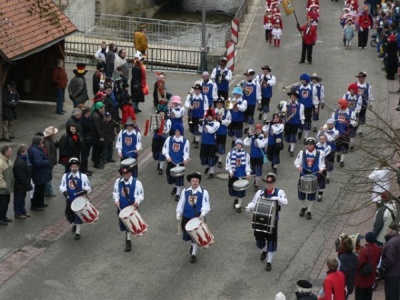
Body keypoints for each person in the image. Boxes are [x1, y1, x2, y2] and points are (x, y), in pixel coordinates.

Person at [245, 173, 288, 271]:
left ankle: (269, 261)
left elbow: (285, 202)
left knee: (271, 241)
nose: (269, 185)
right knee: (259, 240)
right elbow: (254, 203)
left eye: (271, 183)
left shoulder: (279, 192)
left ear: (274, 182)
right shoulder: (260, 192)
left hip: (272, 221)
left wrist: (277, 198)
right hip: (259, 219)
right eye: (267, 183)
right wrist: (249, 207)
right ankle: (264, 250)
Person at [176, 172, 210, 263]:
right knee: (188, 236)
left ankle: (193, 254)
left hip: (197, 219)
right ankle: (193, 245)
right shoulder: (185, 191)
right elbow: (181, 203)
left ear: (199, 182)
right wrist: (178, 213)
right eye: (193, 181)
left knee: (195, 237)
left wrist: (203, 214)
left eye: (196, 181)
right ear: (190, 182)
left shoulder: (204, 192)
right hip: (187, 217)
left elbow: (206, 205)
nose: (195, 182)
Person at [113, 164, 144, 252]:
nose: (125, 175)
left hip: (132, 207)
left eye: (127, 173)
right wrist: (116, 200)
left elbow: (140, 195)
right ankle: (128, 237)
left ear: (130, 173)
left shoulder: (137, 183)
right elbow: (116, 192)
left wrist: (137, 202)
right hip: (121, 207)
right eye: (123, 174)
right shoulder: (118, 181)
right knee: (125, 225)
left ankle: (128, 240)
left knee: (130, 225)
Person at [59, 158, 92, 240]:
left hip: (79, 200)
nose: (74, 168)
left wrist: (85, 190)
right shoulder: (65, 176)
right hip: (70, 200)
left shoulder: (83, 176)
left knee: (78, 215)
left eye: (76, 166)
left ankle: (78, 232)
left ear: (78, 167)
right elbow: (62, 186)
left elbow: (88, 187)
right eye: (73, 166)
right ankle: (74, 223)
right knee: (69, 214)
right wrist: (64, 192)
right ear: (70, 167)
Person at [294, 137, 325, 220]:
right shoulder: (302, 152)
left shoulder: (319, 153)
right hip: (303, 176)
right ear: (306, 145)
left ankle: (309, 211)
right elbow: (296, 162)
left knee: (312, 194)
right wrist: (298, 167)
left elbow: (322, 164)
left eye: (311, 145)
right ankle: (303, 207)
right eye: (308, 145)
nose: (310, 146)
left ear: (314, 145)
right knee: (301, 193)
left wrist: (321, 169)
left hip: (314, 176)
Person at [162, 126, 190, 201]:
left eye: (178, 131)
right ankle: (175, 186)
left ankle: (178, 193)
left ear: (181, 132)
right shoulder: (169, 139)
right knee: (170, 176)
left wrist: (185, 159)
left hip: (179, 162)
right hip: (171, 161)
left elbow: (186, 152)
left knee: (179, 178)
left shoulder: (185, 141)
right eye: (176, 131)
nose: (177, 133)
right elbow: (165, 149)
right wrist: (167, 156)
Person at [225, 139, 252, 213]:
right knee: (232, 191)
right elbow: (228, 164)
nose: (238, 146)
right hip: (233, 176)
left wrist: (248, 174)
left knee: (240, 192)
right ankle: (236, 199)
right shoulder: (230, 154)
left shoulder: (246, 155)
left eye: (239, 145)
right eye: (237, 145)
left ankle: (239, 205)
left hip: (241, 176)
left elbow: (247, 165)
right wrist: (230, 171)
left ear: (242, 146)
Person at [354, 232, 381, 300]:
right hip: (371, 276)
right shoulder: (378, 248)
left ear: (367, 240)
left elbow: (359, 263)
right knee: (368, 296)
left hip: (362, 279)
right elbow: (377, 262)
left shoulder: (364, 250)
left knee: (360, 296)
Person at [28, 136, 51, 211]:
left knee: (41, 189)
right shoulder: (36, 151)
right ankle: (35, 205)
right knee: (38, 190)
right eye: (41, 142)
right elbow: (38, 163)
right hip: (39, 173)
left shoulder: (34, 148)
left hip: (40, 173)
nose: (42, 143)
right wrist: (47, 161)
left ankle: (40, 203)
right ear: (38, 143)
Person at [332, 99, 357, 168]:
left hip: (345, 133)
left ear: (343, 105)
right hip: (337, 133)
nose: (338, 105)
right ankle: (338, 154)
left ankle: (342, 161)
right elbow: (332, 121)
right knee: (337, 146)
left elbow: (354, 122)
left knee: (344, 147)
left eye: (340, 104)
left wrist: (351, 125)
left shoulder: (351, 113)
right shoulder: (336, 112)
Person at [186, 83, 209, 148]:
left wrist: (204, 115)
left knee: (198, 128)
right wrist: (189, 106)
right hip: (191, 116)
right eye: (195, 90)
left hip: (200, 116)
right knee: (191, 128)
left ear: (200, 90)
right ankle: (195, 136)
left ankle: (197, 141)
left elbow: (206, 107)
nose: (196, 91)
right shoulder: (190, 96)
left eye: (198, 90)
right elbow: (186, 103)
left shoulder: (204, 97)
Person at [244, 124, 267, 191]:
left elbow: (261, 145)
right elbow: (245, 143)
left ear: (261, 130)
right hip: (253, 156)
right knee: (253, 170)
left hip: (259, 156)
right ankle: (255, 180)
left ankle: (256, 184)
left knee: (258, 171)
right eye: (257, 130)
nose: (258, 131)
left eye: (259, 130)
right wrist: (248, 137)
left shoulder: (263, 137)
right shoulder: (253, 137)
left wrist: (257, 138)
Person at [282, 89, 305, 157]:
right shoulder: (286, 104)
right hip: (288, 122)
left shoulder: (301, 105)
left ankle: (292, 150)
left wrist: (302, 124)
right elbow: (283, 112)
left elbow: (301, 115)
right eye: (291, 96)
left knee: (293, 136)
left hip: (295, 123)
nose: (292, 97)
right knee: (288, 136)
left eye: (293, 96)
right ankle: (290, 145)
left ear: (296, 97)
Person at [381, 222, 400, 300]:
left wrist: (382, 266)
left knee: (390, 294)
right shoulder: (397, 239)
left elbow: (389, 259)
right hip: (397, 271)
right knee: (396, 294)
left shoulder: (391, 242)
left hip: (391, 272)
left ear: (390, 231)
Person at [199, 109, 220, 179]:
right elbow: (201, 131)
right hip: (204, 142)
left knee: (211, 158)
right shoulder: (204, 122)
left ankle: (211, 172)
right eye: (208, 116)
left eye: (210, 116)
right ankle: (208, 166)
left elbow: (211, 131)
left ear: (213, 117)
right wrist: (200, 125)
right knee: (203, 157)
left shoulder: (216, 123)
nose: (209, 117)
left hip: (211, 143)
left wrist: (206, 124)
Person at [317, 119, 339, 184]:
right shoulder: (324, 130)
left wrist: (324, 132)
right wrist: (320, 131)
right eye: (328, 124)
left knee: (329, 164)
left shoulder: (336, 131)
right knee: (321, 162)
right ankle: (320, 175)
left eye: (330, 124)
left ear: (332, 125)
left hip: (331, 150)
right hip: (323, 148)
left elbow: (331, 139)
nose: (329, 125)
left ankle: (328, 177)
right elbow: (318, 137)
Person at [241, 69, 261, 135]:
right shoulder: (244, 83)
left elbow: (258, 92)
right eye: (247, 75)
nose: (248, 77)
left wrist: (259, 102)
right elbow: (239, 92)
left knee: (250, 116)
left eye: (249, 75)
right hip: (244, 103)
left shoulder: (256, 83)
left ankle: (250, 130)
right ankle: (246, 127)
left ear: (252, 75)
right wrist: (241, 88)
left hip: (252, 102)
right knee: (245, 116)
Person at [343, 83, 362, 152]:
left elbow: (358, 108)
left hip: (354, 115)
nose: (351, 91)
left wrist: (353, 114)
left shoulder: (358, 97)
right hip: (346, 114)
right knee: (345, 129)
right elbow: (343, 105)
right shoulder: (345, 95)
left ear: (355, 91)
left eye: (353, 90)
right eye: (350, 89)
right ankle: (345, 143)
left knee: (352, 131)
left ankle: (351, 146)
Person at [297, 73, 316, 142]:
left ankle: (305, 137)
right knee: (299, 120)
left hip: (308, 107)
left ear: (307, 81)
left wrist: (316, 107)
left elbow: (315, 98)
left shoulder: (312, 88)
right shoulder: (299, 87)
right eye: (301, 80)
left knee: (307, 122)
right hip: (300, 107)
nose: (302, 81)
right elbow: (296, 97)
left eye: (303, 80)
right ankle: (300, 131)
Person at [151, 107, 171, 175]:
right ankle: (159, 162)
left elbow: (167, 130)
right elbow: (151, 129)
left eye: (163, 112)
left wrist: (161, 129)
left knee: (162, 152)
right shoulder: (155, 119)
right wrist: (154, 128)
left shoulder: (168, 121)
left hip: (163, 138)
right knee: (155, 152)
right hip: (156, 137)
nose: (161, 114)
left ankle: (161, 168)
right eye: (160, 112)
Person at [355, 71, 374, 137]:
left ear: (364, 78)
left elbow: (370, 95)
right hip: (355, 104)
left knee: (362, 117)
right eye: (359, 77)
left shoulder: (368, 86)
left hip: (363, 104)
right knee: (354, 117)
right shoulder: (355, 85)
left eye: (361, 77)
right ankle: (353, 129)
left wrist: (371, 103)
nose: (360, 79)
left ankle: (360, 131)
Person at [214, 97, 232, 167]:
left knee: (221, 146)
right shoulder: (213, 111)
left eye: (220, 104)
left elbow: (229, 121)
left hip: (222, 131)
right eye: (218, 104)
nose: (219, 105)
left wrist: (222, 121)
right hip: (214, 132)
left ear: (222, 104)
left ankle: (220, 160)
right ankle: (215, 157)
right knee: (215, 145)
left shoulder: (227, 112)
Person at [43, 126, 59, 197]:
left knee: (48, 178)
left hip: (50, 162)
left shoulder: (50, 140)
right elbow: (49, 154)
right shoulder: (47, 143)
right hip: (50, 163)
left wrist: (56, 145)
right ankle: (49, 192)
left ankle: (47, 191)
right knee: (49, 178)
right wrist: (50, 163)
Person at [0, 146, 13, 225]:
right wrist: (5, 186)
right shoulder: (1, 162)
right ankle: (0, 219)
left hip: (7, 189)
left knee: (6, 203)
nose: (11, 153)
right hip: (2, 189)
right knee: (2, 204)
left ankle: (4, 217)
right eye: (10, 151)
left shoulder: (8, 160)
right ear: (5, 152)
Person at [79, 106, 94, 176]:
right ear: (87, 112)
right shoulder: (83, 120)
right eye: (89, 112)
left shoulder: (88, 119)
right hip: (85, 140)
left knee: (86, 155)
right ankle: (83, 170)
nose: (90, 113)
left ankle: (85, 169)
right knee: (84, 156)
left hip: (89, 139)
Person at [315, 134, 330, 201]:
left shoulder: (328, 147)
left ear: (325, 139)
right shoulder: (316, 145)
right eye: (320, 139)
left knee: (321, 180)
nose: (322, 140)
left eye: (323, 139)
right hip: (315, 164)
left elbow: (323, 154)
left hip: (323, 164)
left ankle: (320, 195)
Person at [91, 102, 105, 169]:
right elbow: (98, 127)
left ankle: (98, 162)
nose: (103, 109)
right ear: (99, 109)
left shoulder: (98, 114)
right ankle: (96, 163)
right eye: (102, 108)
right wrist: (101, 136)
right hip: (96, 137)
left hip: (97, 136)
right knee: (97, 150)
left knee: (98, 150)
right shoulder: (96, 116)